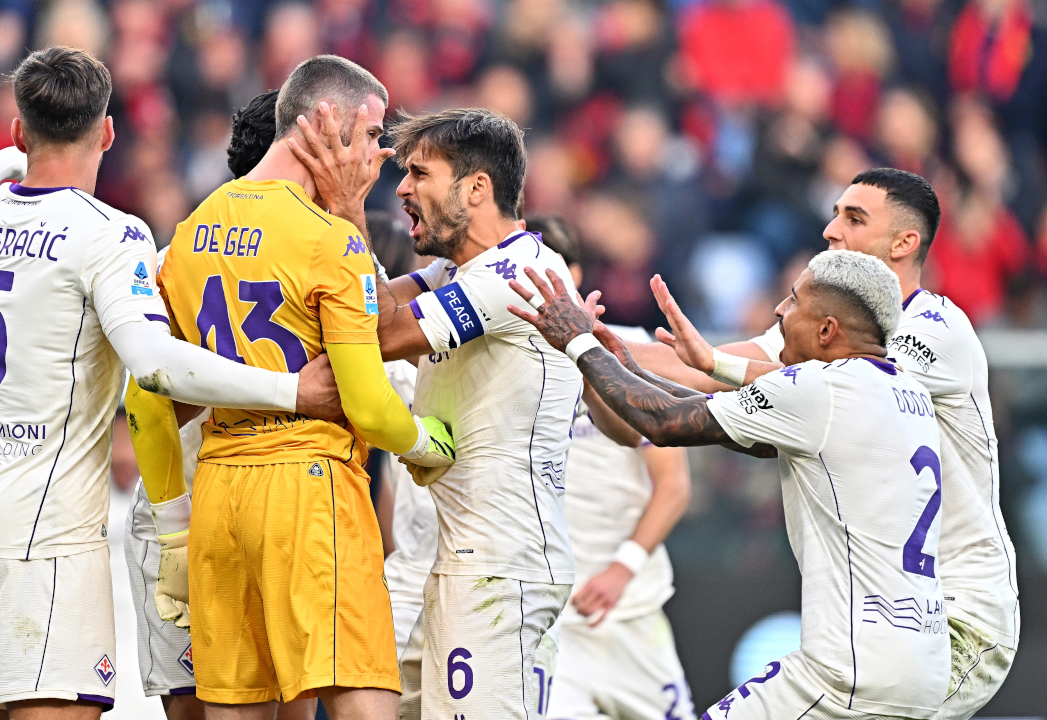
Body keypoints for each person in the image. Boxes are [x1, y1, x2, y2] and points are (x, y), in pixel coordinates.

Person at [0, 47, 342, 719]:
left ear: (20, 130)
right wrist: (291, 391)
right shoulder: (109, 234)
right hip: (42, 534)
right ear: (107, 131)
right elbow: (155, 364)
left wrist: (4, 161)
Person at [124, 55, 455, 720]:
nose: (378, 156)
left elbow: (146, 400)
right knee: (363, 701)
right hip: (309, 495)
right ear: (326, 122)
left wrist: (173, 535)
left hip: (217, 498)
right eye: (369, 136)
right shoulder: (332, 241)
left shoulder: (187, 235)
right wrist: (430, 445)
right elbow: (364, 403)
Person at [630, 168, 1019, 718]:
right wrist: (570, 340)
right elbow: (697, 366)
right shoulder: (825, 324)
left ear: (905, 243)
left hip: (956, 616)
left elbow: (810, 381)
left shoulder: (935, 329)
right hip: (878, 623)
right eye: (835, 213)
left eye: (854, 218)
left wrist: (714, 362)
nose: (831, 230)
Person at [511, 250, 951, 720]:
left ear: (827, 330)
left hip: (854, 664)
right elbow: (715, 416)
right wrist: (627, 364)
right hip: (924, 660)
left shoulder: (820, 388)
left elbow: (663, 425)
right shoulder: (904, 388)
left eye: (794, 301)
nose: (779, 311)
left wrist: (579, 344)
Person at [287, 106, 583, 720]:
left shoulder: (519, 272)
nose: (400, 187)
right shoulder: (458, 271)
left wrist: (346, 212)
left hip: (501, 568)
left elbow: (386, 333)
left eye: (420, 172)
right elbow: (360, 318)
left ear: (477, 187)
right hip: (458, 561)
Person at [123, 89, 328, 720]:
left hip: (235, 510)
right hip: (203, 508)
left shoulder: (177, 250)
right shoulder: (320, 257)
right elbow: (147, 398)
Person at [522, 217, 696, 720]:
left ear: (574, 272)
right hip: (551, 614)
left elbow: (674, 486)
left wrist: (623, 568)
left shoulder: (627, 346)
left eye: (552, 269)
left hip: (630, 607)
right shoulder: (500, 356)